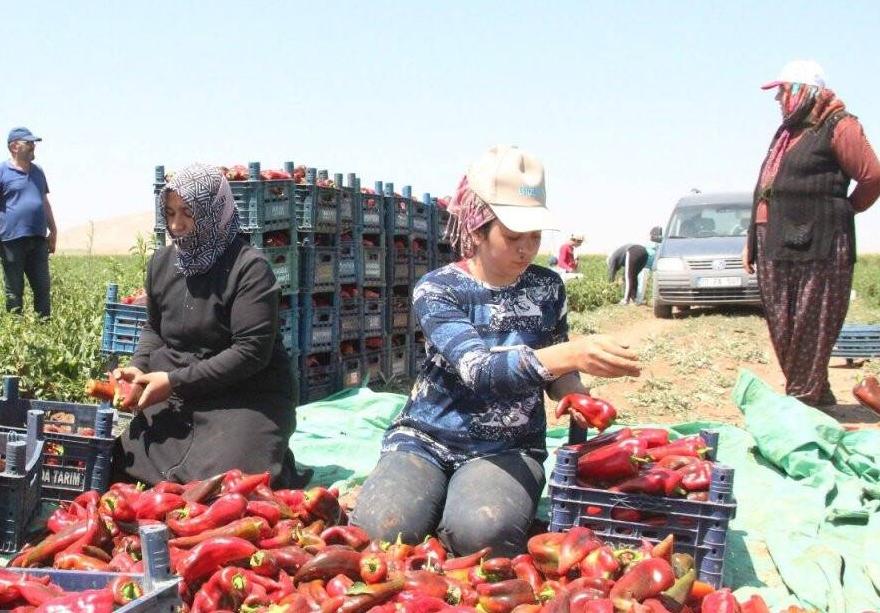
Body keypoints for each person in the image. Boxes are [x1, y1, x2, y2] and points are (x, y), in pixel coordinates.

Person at [350, 145, 640, 556]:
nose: (526, 249)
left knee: (484, 535)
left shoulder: (547, 288)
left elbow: (556, 368)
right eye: (513, 236)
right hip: (428, 438)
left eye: (534, 237)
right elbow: (479, 371)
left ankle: (455, 515)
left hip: (510, 446)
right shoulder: (440, 288)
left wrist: (573, 392)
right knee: (381, 531)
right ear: (477, 231)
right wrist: (573, 355)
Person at [110, 163, 304, 488]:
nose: (177, 224)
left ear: (215, 211)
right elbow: (155, 329)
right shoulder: (161, 263)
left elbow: (251, 352)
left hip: (244, 395)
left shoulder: (249, 269)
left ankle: (271, 453)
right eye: (170, 212)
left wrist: (173, 381)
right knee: (121, 461)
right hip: (180, 396)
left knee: (228, 481)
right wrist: (138, 367)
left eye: (188, 212)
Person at [742, 60, 880, 406]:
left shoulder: (840, 125)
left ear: (803, 92)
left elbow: (874, 178)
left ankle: (801, 401)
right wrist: (752, 240)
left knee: (810, 324)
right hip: (776, 240)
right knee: (785, 326)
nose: (777, 98)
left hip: (820, 242)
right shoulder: (788, 133)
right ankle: (817, 395)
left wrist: (841, 211)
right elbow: (767, 188)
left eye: (782, 90)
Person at [0, 127, 57, 316]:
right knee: (14, 291)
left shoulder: (38, 171)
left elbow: (44, 201)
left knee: (42, 288)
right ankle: (15, 332)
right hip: (10, 240)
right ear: (14, 146)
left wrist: (53, 230)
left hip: (38, 239)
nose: (33, 146)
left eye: (34, 143)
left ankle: (44, 328)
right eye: (29, 143)